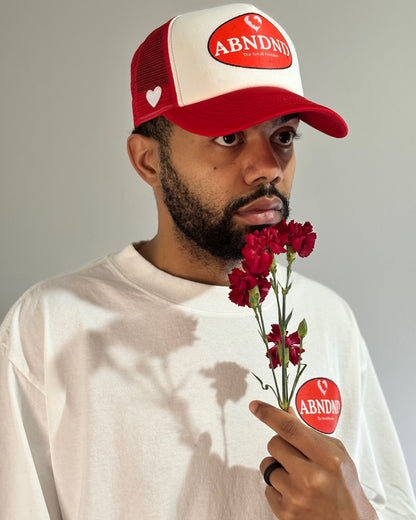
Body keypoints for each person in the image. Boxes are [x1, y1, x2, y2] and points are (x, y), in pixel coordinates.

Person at [0, 3, 415, 519]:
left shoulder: (328, 321)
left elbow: (390, 502)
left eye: (283, 135)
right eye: (228, 136)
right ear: (148, 160)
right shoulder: (52, 326)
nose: (268, 168)